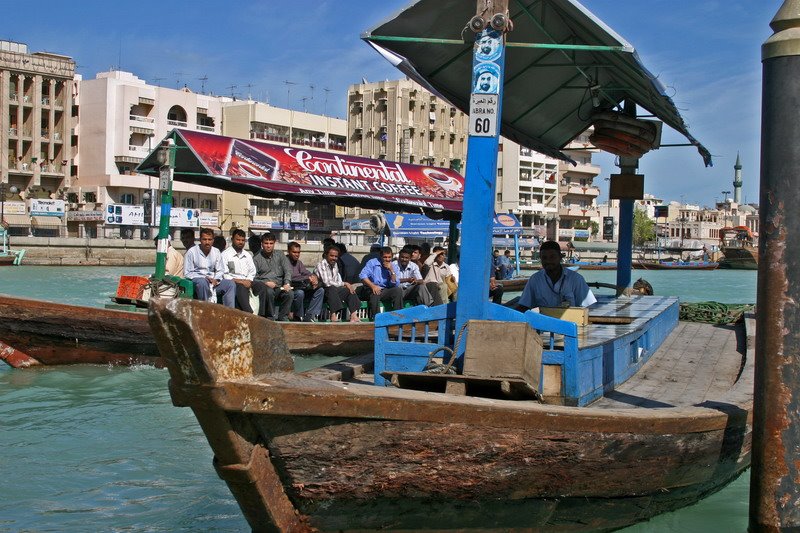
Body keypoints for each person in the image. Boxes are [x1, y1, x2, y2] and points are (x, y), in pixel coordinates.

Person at [515, 240, 597, 311]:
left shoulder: (575, 279)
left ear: (560, 257)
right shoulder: (535, 280)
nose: (548, 261)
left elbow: (589, 306)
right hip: (544, 325)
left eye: (552, 257)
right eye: (544, 258)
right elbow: (524, 305)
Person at [183, 227, 236, 307]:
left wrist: (216, 279)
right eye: (204, 239)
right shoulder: (192, 252)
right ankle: (205, 309)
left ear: (213, 240)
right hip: (198, 281)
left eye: (209, 239)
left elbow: (220, 270)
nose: (207, 242)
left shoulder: (216, 251)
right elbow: (187, 273)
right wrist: (204, 278)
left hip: (213, 281)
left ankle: (229, 312)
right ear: (200, 240)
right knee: (203, 283)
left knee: (230, 284)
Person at [222, 228, 268, 314]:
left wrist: (248, 280)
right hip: (234, 282)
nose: (240, 242)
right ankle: (248, 313)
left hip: (247, 280)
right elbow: (225, 274)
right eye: (238, 240)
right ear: (232, 240)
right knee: (241, 287)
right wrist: (241, 281)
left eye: (243, 240)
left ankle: (261, 314)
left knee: (261, 286)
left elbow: (252, 271)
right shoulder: (225, 255)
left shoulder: (247, 255)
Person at [315, 245, 361, 322]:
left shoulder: (335, 265)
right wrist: (344, 283)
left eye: (336, 256)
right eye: (332, 256)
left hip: (334, 291)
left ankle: (353, 315)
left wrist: (346, 285)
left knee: (349, 290)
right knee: (332, 288)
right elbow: (327, 282)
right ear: (326, 255)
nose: (334, 258)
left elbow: (337, 280)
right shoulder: (321, 265)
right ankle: (333, 314)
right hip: (323, 291)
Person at [252, 232, 293, 321]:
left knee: (289, 293)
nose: (268, 246)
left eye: (271, 243)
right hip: (265, 287)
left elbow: (288, 270)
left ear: (274, 243)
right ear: (262, 244)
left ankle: (283, 317)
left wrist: (287, 283)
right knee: (268, 291)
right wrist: (265, 283)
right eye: (266, 243)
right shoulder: (256, 258)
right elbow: (253, 277)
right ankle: (270, 318)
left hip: (279, 286)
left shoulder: (280, 255)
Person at [358, 246, 404, 320]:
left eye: (389, 257)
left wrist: (391, 270)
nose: (387, 259)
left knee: (397, 291)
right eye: (385, 257)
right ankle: (378, 318)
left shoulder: (393, 266)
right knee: (375, 294)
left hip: (385, 289)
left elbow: (395, 283)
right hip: (371, 288)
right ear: (381, 256)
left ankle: (398, 317)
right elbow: (362, 275)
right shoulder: (372, 262)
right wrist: (373, 286)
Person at [286, 241, 324, 322]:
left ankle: (310, 315)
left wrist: (314, 278)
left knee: (320, 290)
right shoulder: (285, 262)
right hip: (292, 288)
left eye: (298, 252)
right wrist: (306, 278)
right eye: (294, 252)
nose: (297, 254)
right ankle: (298, 316)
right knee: (300, 293)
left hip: (302, 287)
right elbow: (291, 277)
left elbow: (307, 273)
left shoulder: (299, 263)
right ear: (289, 251)